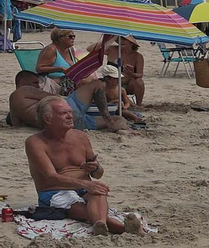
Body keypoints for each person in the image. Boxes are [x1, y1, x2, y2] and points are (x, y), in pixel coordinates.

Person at [24, 97, 139, 235]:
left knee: (98, 191)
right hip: (55, 191)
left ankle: (100, 224)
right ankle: (123, 229)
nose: (70, 116)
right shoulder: (35, 142)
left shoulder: (81, 136)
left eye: (70, 112)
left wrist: (95, 168)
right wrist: (86, 184)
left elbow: (98, 174)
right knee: (81, 209)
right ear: (48, 119)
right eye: (63, 113)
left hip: (84, 188)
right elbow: (51, 177)